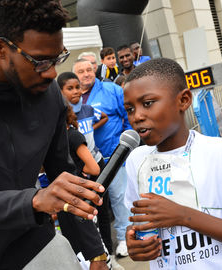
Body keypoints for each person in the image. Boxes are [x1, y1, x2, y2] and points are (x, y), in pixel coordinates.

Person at [0, 1, 107, 269]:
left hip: (33, 244)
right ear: (1, 49)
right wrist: (33, 200)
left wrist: (95, 251)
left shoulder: (49, 96)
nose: (51, 73)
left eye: (58, 58)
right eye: (39, 62)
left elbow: (65, 177)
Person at [123, 57, 222, 269]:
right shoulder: (136, 160)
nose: (137, 116)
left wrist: (182, 215)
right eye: (130, 109)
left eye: (147, 103)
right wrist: (133, 241)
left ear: (184, 100)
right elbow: (138, 220)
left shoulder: (221, 154)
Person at [58, 72, 119, 269]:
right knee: (90, 219)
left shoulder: (80, 120)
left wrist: (82, 174)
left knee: (97, 216)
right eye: (70, 88)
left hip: (90, 172)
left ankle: (107, 258)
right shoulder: (64, 133)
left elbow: (91, 165)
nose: (76, 91)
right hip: (79, 176)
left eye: (77, 87)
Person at [73, 59, 132, 258]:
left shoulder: (111, 89)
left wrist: (125, 143)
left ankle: (124, 238)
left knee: (118, 198)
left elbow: (128, 113)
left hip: (113, 155)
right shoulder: (72, 97)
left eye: (89, 69)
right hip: (86, 163)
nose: (86, 74)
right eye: (81, 71)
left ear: (95, 69)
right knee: (99, 205)